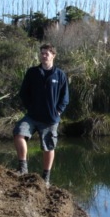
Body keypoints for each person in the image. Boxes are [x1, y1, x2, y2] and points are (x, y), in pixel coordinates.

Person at [13, 44, 69, 187]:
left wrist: (58, 111)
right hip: (32, 116)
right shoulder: (32, 72)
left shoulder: (60, 75)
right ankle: (23, 168)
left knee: (48, 147)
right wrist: (30, 107)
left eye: (47, 54)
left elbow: (65, 97)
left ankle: (46, 177)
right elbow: (23, 92)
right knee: (19, 133)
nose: (44, 56)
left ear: (53, 55)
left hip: (50, 119)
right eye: (42, 53)